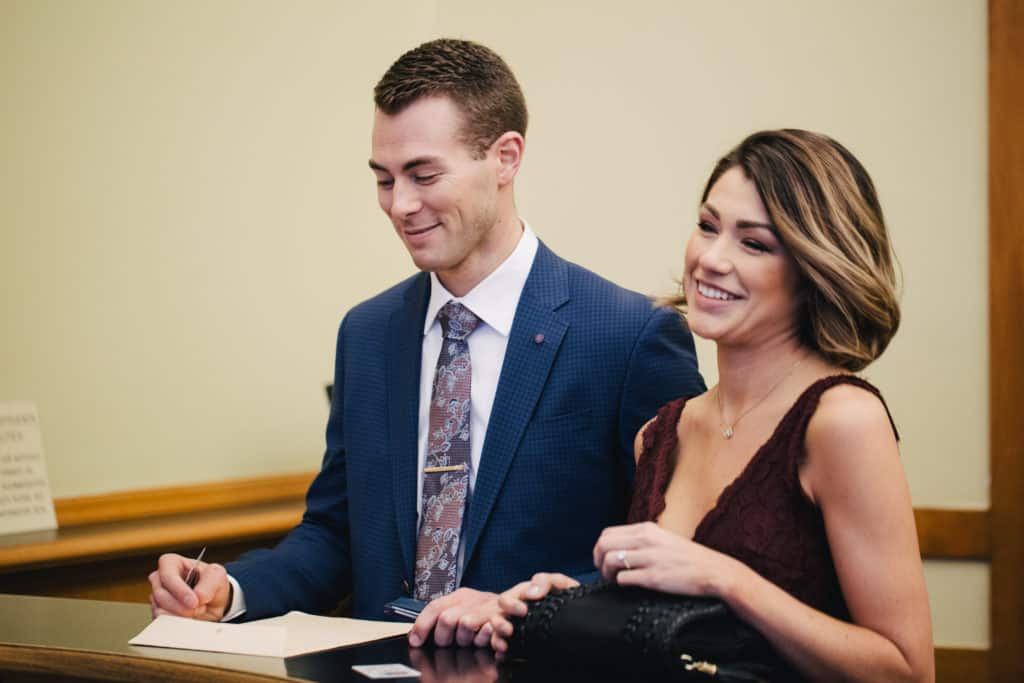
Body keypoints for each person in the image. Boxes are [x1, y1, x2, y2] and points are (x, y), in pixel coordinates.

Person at [147, 38, 704, 648]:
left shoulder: (628, 335)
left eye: (423, 174)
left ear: (506, 157)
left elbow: (676, 554)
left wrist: (521, 608)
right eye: (384, 180)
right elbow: (335, 534)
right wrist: (229, 589)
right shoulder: (367, 333)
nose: (400, 205)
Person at [489, 130, 934, 682]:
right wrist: (577, 604)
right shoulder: (661, 433)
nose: (712, 260)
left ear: (814, 270)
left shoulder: (842, 420)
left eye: (755, 243)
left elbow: (907, 671)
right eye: (707, 226)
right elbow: (691, 639)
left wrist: (724, 577)